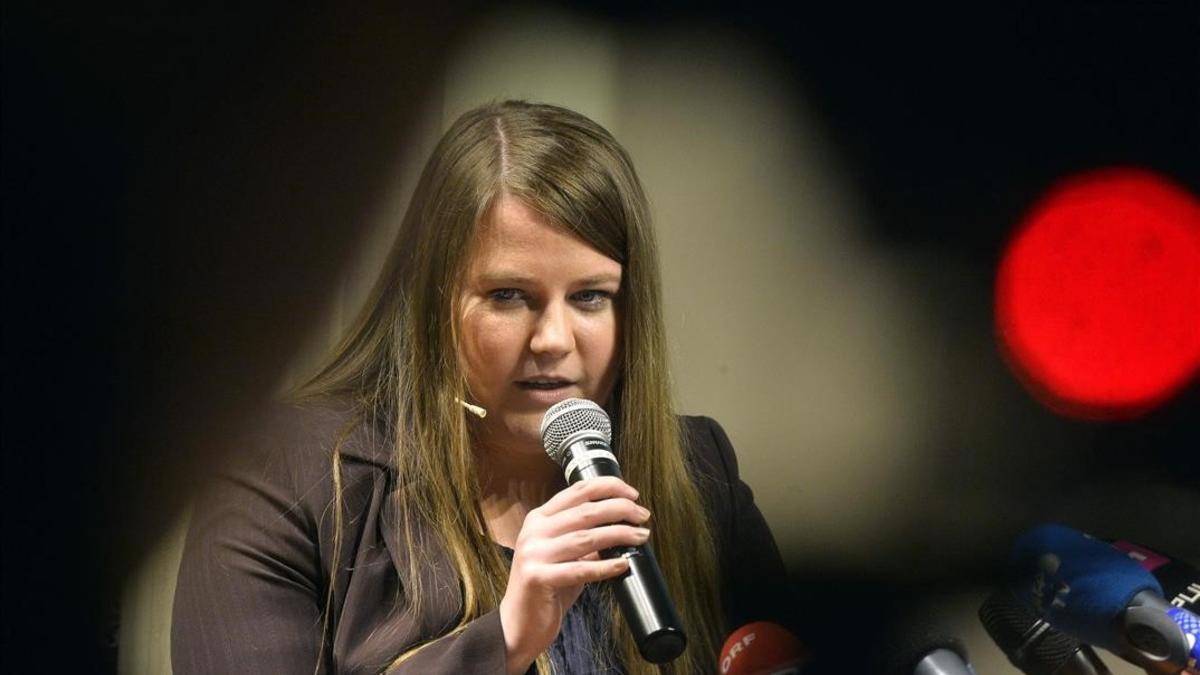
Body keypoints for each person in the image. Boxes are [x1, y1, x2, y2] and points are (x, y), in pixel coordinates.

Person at [171, 100, 792, 674]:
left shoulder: (701, 471)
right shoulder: (284, 473)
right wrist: (504, 641)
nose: (553, 338)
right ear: (430, 304)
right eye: (508, 296)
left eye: (590, 297)